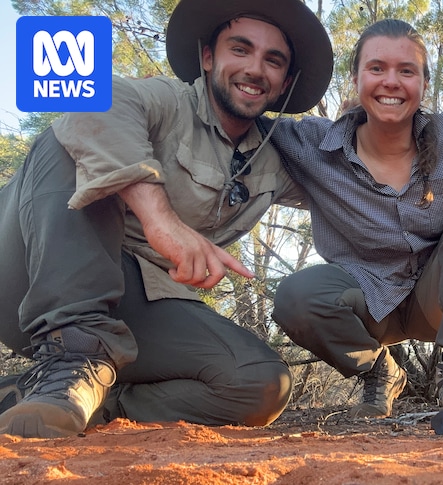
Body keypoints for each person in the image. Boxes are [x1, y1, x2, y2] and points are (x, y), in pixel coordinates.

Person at [0, 0, 333, 438]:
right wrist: (162, 221)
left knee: (259, 383)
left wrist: (364, 129)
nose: (255, 69)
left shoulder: (277, 156)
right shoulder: (163, 100)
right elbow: (97, 103)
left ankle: (67, 396)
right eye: (240, 49)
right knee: (72, 138)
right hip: (28, 272)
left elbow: (359, 179)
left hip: (137, 301)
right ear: (208, 57)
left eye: (273, 60)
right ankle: (70, 357)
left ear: (285, 81)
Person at [269, 19, 443, 418]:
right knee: (297, 297)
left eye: (406, 70)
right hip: (365, 299)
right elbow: (240, 117)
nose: (391, 82)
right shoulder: (310, 143)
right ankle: (380, 372)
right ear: (356, 77)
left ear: (424, 83)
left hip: (439, 299)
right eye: (377, 68)